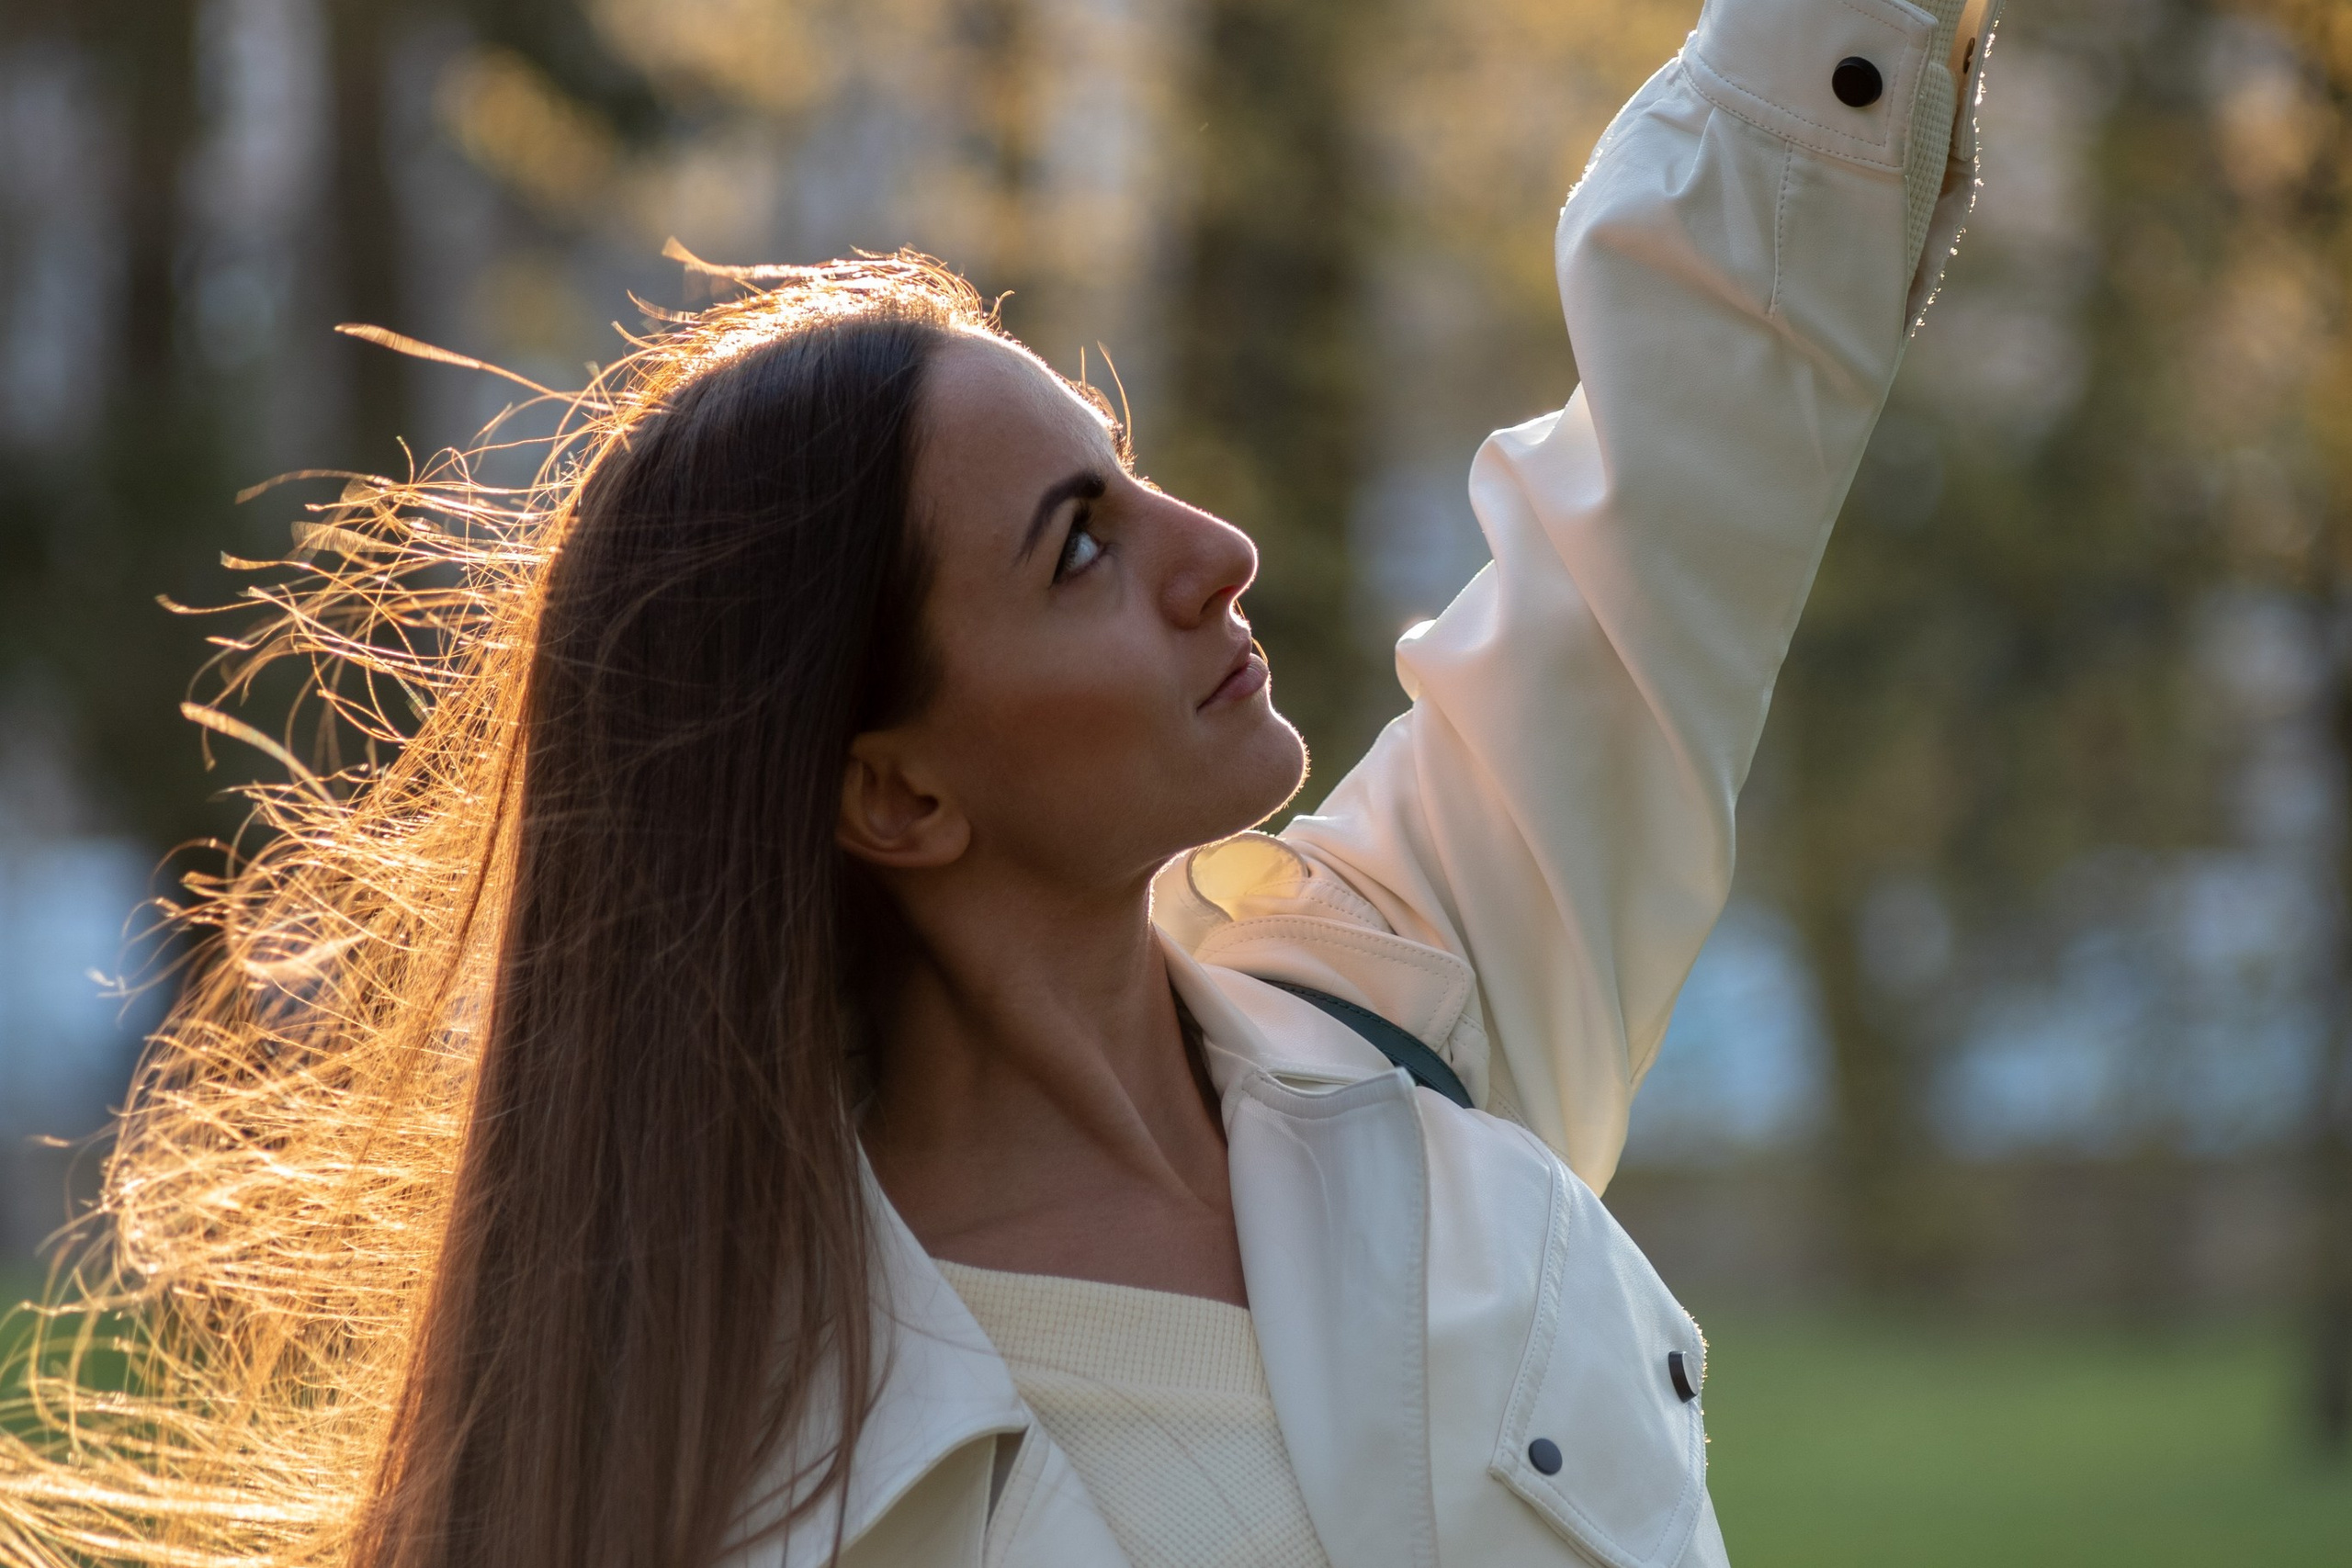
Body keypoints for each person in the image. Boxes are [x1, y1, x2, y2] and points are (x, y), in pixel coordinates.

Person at [0, 0, 2002, 1563]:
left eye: (1129, 475)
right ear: (892, 794)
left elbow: (1687, 459)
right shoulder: (745, 1487)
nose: (1207, 544)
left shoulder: (1412, 1018)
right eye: (1076, 542)